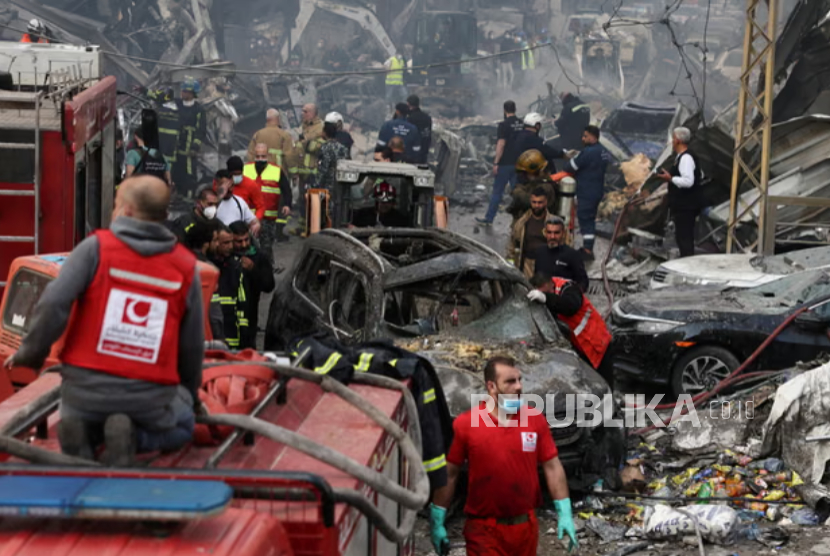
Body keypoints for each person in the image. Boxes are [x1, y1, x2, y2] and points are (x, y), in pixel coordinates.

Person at [3, 176, 205, 466]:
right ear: (163, 215)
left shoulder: (94, 248)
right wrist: (189, 393)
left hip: (82, 395)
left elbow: (53, 304)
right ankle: (134, 438)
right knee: (184, 426)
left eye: (116, 205)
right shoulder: (186, 267)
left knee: (85, 414)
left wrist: (30, 354)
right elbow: (191, 346)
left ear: (127, 211)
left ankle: (84, 434)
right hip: (147, 400)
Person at [429, 355, 578, 555]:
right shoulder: (467, 424)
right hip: (484, 530)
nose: (518, 387)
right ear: (491, 387)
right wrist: (437, 517)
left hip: (525, 528)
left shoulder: (534, 420)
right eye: (509, 381)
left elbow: (552, 465)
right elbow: (451, 472)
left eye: (519, 380)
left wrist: (565, 511)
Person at [527, 273, 614, 388]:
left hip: (597, 341)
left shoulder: (569, 288)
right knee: (590, 385)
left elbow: (571, 306)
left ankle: (611, 403)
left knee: (604, 384)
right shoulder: (552, 290)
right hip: (581, 345)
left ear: (549, 285)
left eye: (545, 292)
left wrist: (546, 298)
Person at [657, 127, 704, 258]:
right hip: (683, 206)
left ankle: (687, 265)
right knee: (683, 237)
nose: (672, 142)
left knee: (685, 239)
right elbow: (700, 174)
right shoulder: (683, 157)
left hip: (686, 206)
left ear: (677, 140)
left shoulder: (686, 158)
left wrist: (671, 178)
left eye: (673, 139)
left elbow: (688, 181)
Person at [477, 100, 526, 225]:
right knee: (519, 194)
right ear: (515, 109)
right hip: (519, 164)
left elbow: (501, 144)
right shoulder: (522, 124)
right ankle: (522, 220)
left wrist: (496, 163)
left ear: (505, 110)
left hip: (505, 164)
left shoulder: (503, 125)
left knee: (497, 192)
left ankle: (489, 219)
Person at [567, 125, 611, 261]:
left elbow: (570, 167)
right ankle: (588, 248)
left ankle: (587, 250)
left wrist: (573, 157)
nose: (583, 138)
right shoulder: (603, 151)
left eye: (585, 136)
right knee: (590, 218)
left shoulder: (588, 152)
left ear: (593, 137)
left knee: (585, 219)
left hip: (586, 190)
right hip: (597, 190)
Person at [229, 221, 275, 349]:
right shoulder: (225, 257)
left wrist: (253, 269)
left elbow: (269, 285)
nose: (244, 245)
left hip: (249, 319)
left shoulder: (259, 257)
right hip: (227, 319)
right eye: (238, 241)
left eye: (246, 240)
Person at [244, 143, 292, 256]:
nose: (260, 159)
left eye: (263, 156)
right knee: (247, 247)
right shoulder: (245, 169)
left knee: (266, 247)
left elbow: (286, 190)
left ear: (268, 156)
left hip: (268, 218)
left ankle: (267, 268)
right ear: (254, 156)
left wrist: (287, 204)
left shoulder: (276, 170)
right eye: (258, 156)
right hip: (249, 217)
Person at [163, 77, 207, 197]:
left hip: (188, 150)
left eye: (186, 91)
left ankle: (188, 198)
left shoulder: (199, 110)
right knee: (172, 173)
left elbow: (200, 131)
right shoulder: (176, 104)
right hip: (174, 148)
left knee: (188, 174)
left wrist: (194, 147)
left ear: (193, 93)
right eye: (183, 90)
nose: (183, 93)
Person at [184, 219, 225, 342]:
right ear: (206, 244)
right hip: (204, 336)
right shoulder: (209, 270)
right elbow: (214, 313)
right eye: (215, 240)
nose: (217, 244)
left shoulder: (179, 264)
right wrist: (220, 339)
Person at [210, 223, 245, 349]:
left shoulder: (234, 266)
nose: (230, 247)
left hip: (231, 331)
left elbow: (242, 301)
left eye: (231, 242)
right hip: (211, 333)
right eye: (225, 243)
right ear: (214, 242)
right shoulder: (207, 267)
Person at [506, 187, 554, 279]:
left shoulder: (554, 223)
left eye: (540, 202)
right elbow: (512, 246)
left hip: (547, 266)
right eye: (534, 202)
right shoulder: (521, 223)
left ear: (546, 202)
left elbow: (566, 246)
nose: (537, 205)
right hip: (526, 265)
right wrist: (510, 267)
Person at [533, 215, 589, 292]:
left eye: (556, 233)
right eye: (549, 232)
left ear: (563, 233)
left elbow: (583, 283)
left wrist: (573, 295)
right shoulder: (540, 252)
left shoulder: (573, 255)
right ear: (545, 233)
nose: (552, 236)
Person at [506, 149, 557, 221]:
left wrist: (517, 192)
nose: (525, 176)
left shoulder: (546, 187)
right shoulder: (535, 183)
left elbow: (530, 201)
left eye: (526, 173)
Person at [246, 108, 297, 175]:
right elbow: (289, 156)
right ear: (278, 118)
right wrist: (294, 173)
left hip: (262, 174)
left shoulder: (258, 134)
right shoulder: (284, 135)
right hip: (279, 174)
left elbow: (250, 155)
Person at [296, 103, 325, 218]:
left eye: (306, 111)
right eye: (302, 111)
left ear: (313, 113)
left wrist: (307, 144)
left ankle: (314, 224)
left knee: (313, 198)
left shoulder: (321, 127)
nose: (302, 114)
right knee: (302, 198)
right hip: (302, 169)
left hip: (314, 169)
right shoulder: (304, 126)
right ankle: (303, 225)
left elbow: (322, 146)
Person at [213, 169, 261, 236]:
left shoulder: (239, 201)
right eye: (226, 186)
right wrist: (221, 195)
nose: (230, 189)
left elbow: (253, 221)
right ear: (216, 185)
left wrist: (256, 225)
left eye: (232, 185)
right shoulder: (211, 202)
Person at [227, 156, 266, 222]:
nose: (236, 176)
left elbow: (261, 207)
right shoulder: (220, 183)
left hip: (243, 223)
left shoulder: (250, 184)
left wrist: (255, 221)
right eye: (234, 174)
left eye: (239, 174)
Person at [317, 121, 350, 191]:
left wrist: (317, 182)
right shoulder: (343, 148)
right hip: (340, 182)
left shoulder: (325, 147)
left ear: (325, 133)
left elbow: (324, 167)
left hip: (328, 183)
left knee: (323, 201)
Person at [406, 95, 432, 164]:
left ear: (408, 104)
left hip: (412, 153)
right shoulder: (427, 118)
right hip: (424, 151)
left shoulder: (410, 119)